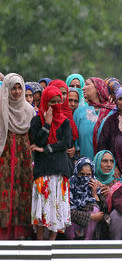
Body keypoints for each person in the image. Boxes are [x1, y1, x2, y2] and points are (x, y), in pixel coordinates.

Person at [29, 86, 72, 240]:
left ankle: (52, 241)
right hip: (43, 170)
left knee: (57, 206)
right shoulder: (36, 120)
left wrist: (45, 149)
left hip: (60, 169)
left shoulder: (65, 121)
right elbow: (36, 140)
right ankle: (40, 242)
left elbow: (65, 143)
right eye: (51, 102)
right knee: (42, 206)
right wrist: (47, 125)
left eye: (58, 101)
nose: (55, 105)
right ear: (45, 102)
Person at [0, 73, 35, 240]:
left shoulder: (28, 110)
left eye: (19, 87)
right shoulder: (1, 107)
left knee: (21, 190)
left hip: (23, 156)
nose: (16, 92)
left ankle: (20, 232)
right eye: (13, 88)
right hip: (3, 154)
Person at [73, 77, 115, 159]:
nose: (83, 88)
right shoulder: (79, 112)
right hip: (85, 167)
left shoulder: (113, 113)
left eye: (87, 84)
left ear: (97, 89)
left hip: (107, 165)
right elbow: (74, 141)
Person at [65, 157, 104, 240]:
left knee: (95, 209)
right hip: (74, 221)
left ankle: (87, 242)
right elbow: (66, 211)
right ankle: (70, 244)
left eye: (88, 175)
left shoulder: (95, 184)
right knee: (68, 215)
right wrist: (90, 216)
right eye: (82, 174)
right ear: (76, 172)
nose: (85, 177)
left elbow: (101, 213)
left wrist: (94, 194)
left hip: (87, 223)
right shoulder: (69, 184)